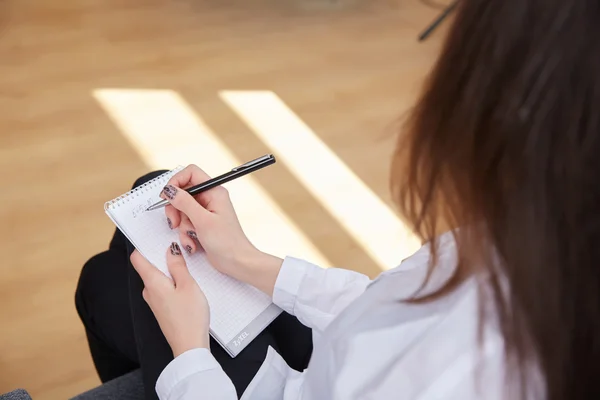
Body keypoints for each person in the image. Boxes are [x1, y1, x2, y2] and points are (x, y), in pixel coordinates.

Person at [75, 0, 600, 398]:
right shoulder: (520, 239)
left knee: (103, 284)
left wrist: (190, 356)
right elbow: (382, 307)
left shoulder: (471, 375)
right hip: (323, 360)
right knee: (151, 204)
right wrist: (251, 261)